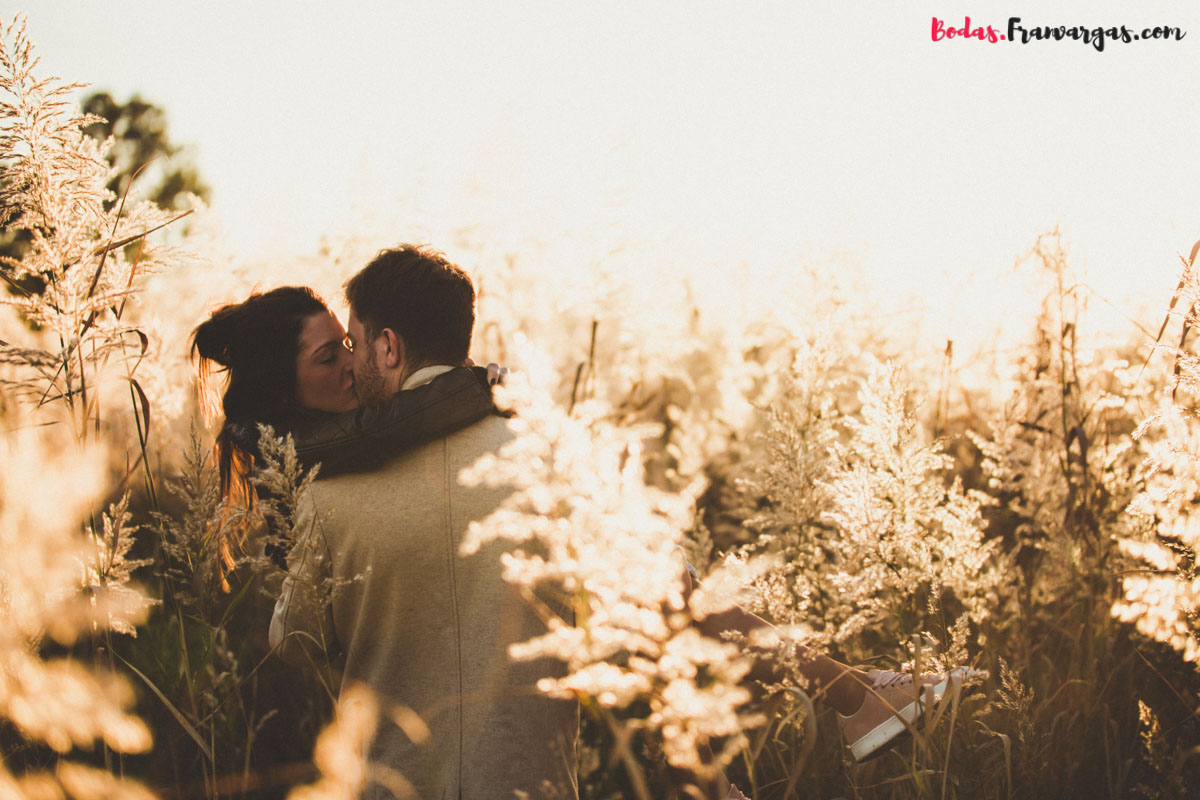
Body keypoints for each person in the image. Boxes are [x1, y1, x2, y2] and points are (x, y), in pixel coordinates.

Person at [194, 253, 973, 798]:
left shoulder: (328, 499)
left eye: (352, 346)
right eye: (336, 354)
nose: (353, 364)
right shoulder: (529, 445)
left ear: (388, 346)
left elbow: (291, 643)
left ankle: (854, 696)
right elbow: (666, 607)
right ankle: (855, 696)